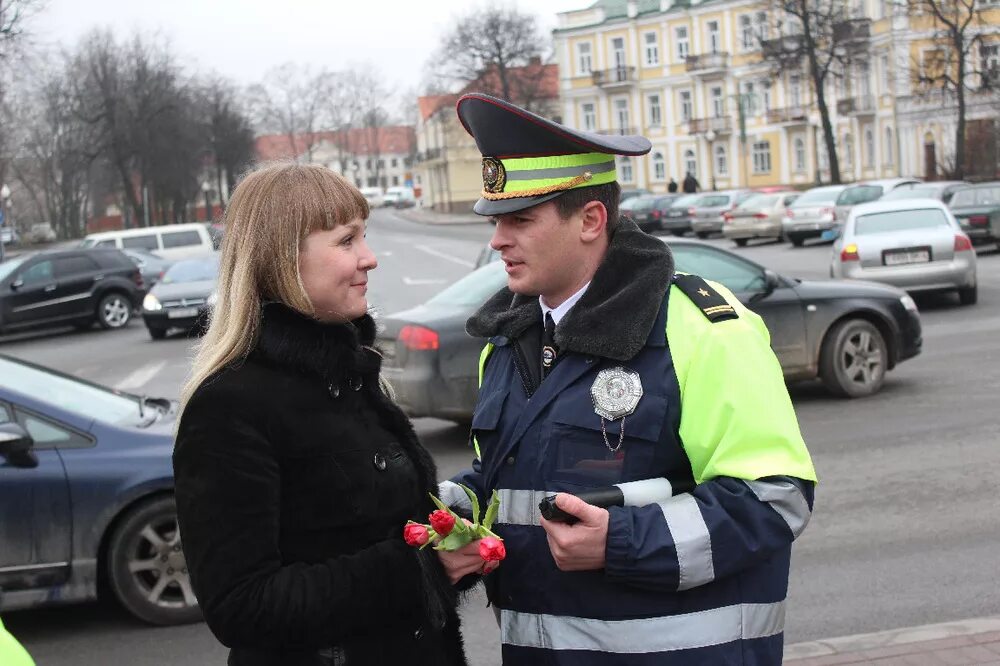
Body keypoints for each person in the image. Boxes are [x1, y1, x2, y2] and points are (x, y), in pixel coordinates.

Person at [442, 93, 817, 665]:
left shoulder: (702, 325)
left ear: (591, 220)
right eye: (496, 220)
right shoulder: (507, 339)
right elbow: (516, 483)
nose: (497, 240)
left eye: (520, 219)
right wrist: (451, 509)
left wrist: (621, 543)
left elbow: (775, 499)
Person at [173, 163, 477, 666]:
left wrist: (451, 539)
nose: (370, 258)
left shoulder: (348, 375)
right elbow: (241, 606)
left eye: (365, 236)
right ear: (281, 259)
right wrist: (420, 568)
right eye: (346, 241)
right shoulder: (230, 405)